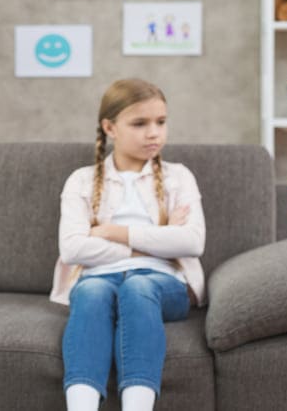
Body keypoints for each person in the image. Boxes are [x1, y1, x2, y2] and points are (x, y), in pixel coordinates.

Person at [50, 79, 206, 411]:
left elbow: (192, 241)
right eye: (140, 123)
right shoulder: (81, 180)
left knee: (137, 287)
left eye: (161, 122)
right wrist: (158, 238)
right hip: (97, 278)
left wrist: (111, 231)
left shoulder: (180, 177)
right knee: (91, 293)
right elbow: (73, 249)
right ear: (110, 127)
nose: (154, 133)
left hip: (164, 282)